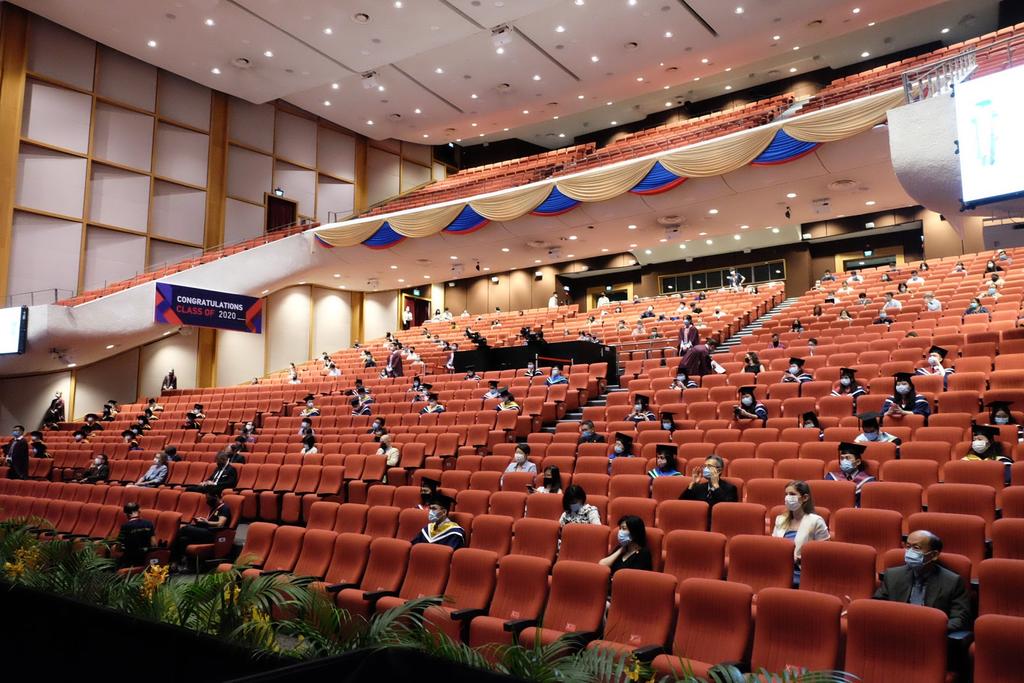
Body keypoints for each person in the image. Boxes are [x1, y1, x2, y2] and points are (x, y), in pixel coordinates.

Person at [874, 530, 972, 632]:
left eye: (916, 548)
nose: (910, 552)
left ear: (934, 555)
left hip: (929, 635)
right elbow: (877, 607)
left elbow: (960, 619)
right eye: (908, 547)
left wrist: (928, 630)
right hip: (895, 631)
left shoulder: (952, 581)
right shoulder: (893, 575)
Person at [771, 480, 830, 584]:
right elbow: (773, 547)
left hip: (803, 572)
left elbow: (824, 555)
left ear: (805, 498)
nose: (787, 497)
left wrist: (802, 558)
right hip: (779, 570)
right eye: (786, 494)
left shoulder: (816, 521)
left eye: (792, 494)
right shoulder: (780, 519)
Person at [171, 491, 232, 571]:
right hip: (206, 530)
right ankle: (179, 562)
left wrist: (206, 522)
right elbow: (210, 522)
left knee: (184, 529)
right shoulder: (214, 508)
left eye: (208, 498)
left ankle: (179, 560)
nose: (207, 501)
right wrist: (202, 521)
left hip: (214, 534)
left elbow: (220, 524)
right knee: (183, 539)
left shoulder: (224, 508)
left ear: (216, 496)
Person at [116, 502, 156, 568]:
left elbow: (118, 547)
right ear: (139, 510)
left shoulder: (125, 526)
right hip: (146, 559)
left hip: (131, 560)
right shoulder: (149, 523)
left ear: (126, 514)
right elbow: (154, 544)